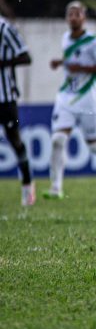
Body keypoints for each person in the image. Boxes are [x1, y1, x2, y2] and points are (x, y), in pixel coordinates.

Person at [44, 1, 96, 199]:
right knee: (58, 139)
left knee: (94, 144)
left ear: (84, 18)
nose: (73, 18)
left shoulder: (94, 42)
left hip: (88, 98)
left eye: (77, 14)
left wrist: (82, 69)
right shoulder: (65, 39)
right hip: (66, 96)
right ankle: (56, 187)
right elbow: (72, 59)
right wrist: (60, 62)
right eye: (70, 14)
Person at [0, 15, 35, 206]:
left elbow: (26, 57)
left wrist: (3, 64)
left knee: (14, 139)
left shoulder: (5, 29)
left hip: (5, 97)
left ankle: (27, 185)